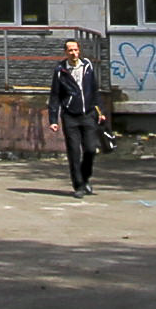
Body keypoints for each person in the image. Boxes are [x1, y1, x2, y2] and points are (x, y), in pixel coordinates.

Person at [49, 36, 108, 195]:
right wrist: (53, 120)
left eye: (76, 50)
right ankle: (79, 186)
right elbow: (55, 96)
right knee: (74, 152)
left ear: (79, 50)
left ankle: (85, 177)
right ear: (65, 52)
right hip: (70, 116)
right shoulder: (60, 71)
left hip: (88, 114)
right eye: (70, 51)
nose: (74, 53)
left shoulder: (87, 65)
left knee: (90, 149)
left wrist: (100, 111)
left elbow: (94, 90)